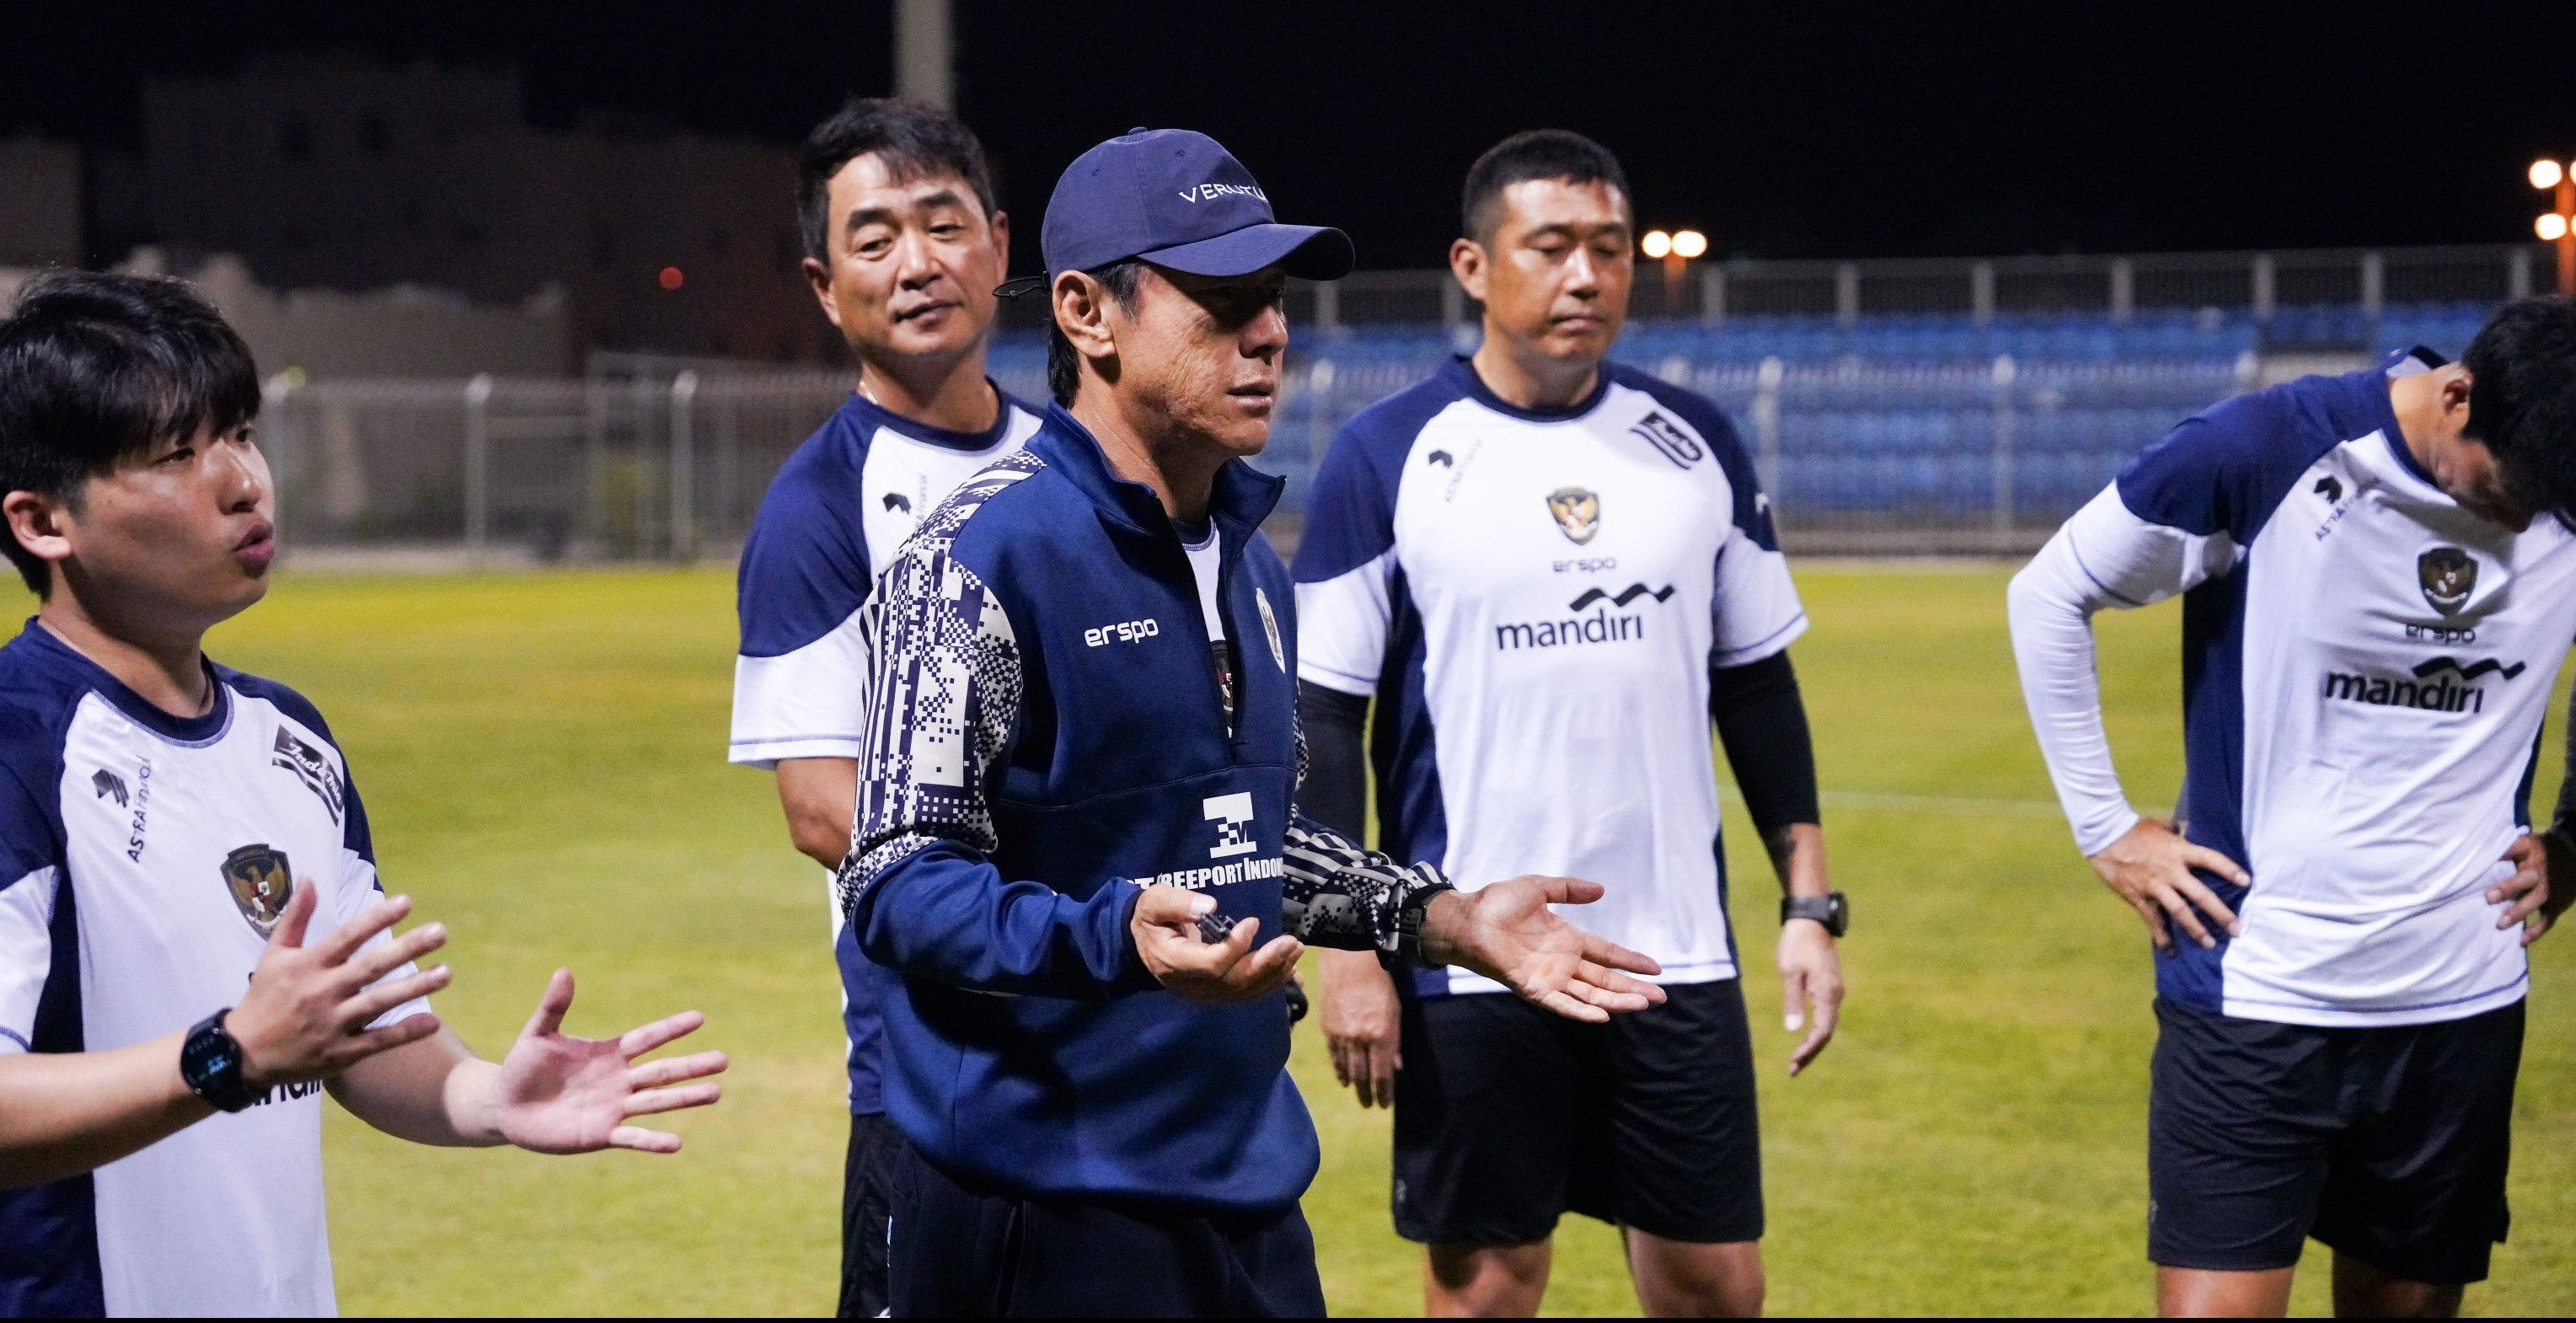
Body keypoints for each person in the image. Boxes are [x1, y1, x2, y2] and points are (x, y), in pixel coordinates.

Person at [835, 126, 1668, 1317]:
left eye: (1271, 301)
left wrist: (1435, 914)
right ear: (1086, 312)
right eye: (1221, 301)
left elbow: (1244, 842)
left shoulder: (1248, 563)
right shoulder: (974, 561)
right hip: (1037, 1203)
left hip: (1245, 1190)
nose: (1269, 333)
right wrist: (1117, 933)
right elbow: (897, 877)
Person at [0, 271, 727, 1317]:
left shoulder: (290, 738)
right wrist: (228, 1055)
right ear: (41, 522)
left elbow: (365, 1035)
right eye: (177, 455)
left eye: (240, 434)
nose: (244, 481)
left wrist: (483, 1095)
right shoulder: (19, 751)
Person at [1293, 129, 1847, 1319]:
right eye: (1550, 247)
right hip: (1474, 942)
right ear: (1474, 264)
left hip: (1672, 948)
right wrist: (1349, 948)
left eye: (1607, 248)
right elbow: (1324, 721)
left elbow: (1756, 685)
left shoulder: (1695, 443)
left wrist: (1808, 902)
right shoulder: (1384, 455)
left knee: (1713, 1283)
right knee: (1488, 1282)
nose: (1586, 276)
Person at [2007, 302, 2576, 1318]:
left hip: (2456, 1003)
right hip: (2253, 989)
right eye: (2509, 490)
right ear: (2458, 395)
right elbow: (2050, 593)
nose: (2525, 521)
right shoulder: (2267, 450)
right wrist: (2106, 827)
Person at [727, 96, 1040, 1319]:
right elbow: (821, 805)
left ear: (999, 249)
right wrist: (1064, 904)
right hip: (932, 1066)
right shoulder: (820, 505)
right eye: (875, 237)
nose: (917, 262)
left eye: (943, 224)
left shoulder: (1075, 459)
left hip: (1113, 1038)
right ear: (824, 282)